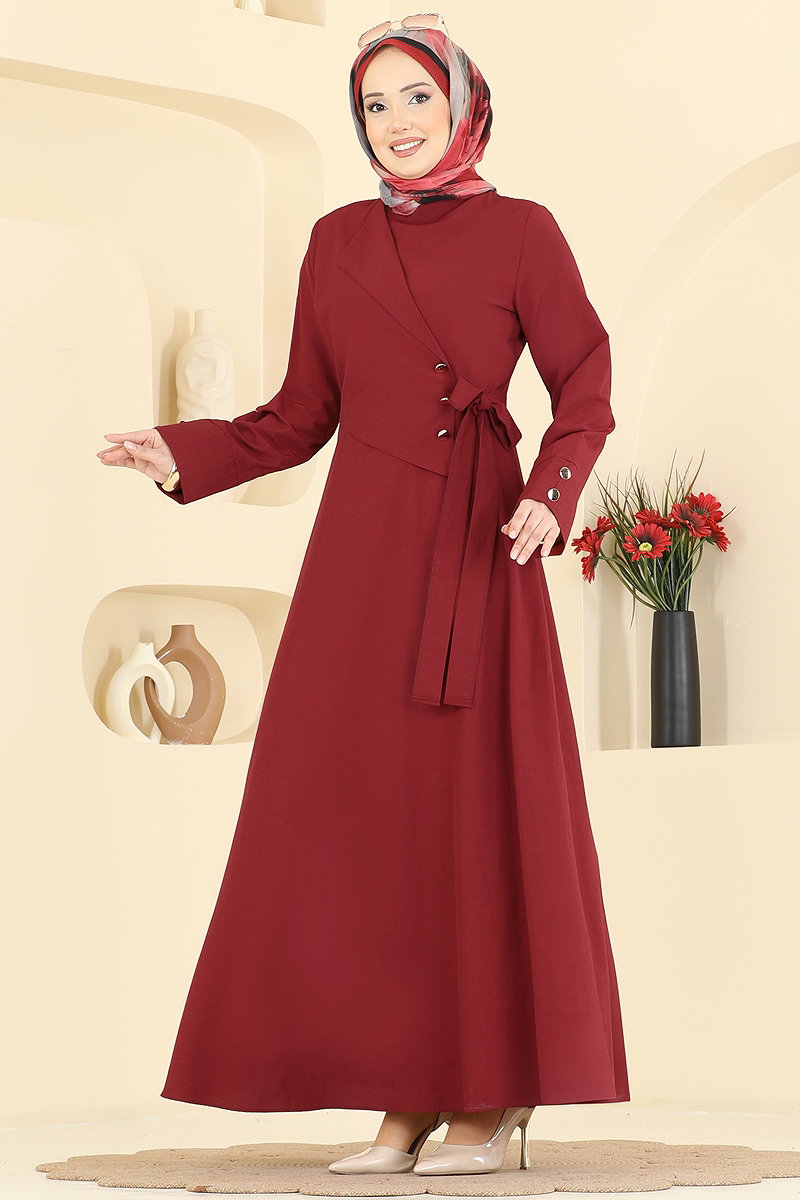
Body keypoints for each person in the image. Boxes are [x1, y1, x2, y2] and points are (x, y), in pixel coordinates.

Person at [96, 14, 630, 1179]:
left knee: (470, 817)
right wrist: (182, 451)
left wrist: (550, 493)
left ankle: (490, 1094)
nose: (395, 122)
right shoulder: (335, 241)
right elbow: (299, 416)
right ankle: (404, 1092)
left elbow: (583, 380)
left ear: (462, 103)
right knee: (361, 820)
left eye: (414, 97)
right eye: (374, 105)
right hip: (360, 558)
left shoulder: (524, 232)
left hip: (478, 550)